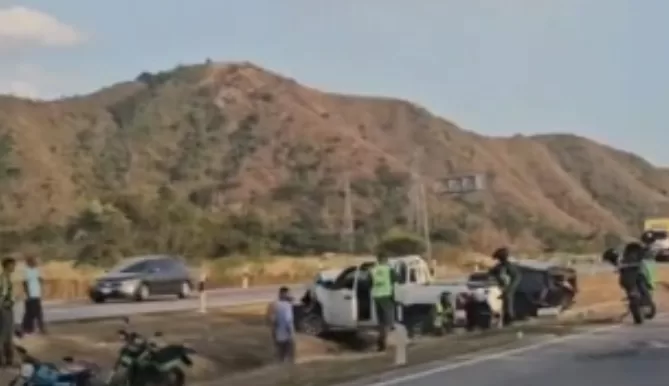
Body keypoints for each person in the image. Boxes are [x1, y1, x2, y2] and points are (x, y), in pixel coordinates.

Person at [371, 253, 397, 351]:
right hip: (386, 296)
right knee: (388, 322)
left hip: (377, 297)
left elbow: (368, 282)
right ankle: (383, 342)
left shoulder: (373, 270)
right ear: (385, 260)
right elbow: (397, 279)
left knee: (381, 321)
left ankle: (380, 343)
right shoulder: (388, 269)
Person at [488, 247, 521, 326]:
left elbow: (516, 277)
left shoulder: (509, 267)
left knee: (508, 299)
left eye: (499, 258)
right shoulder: (499, 267)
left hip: (508, 288)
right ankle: (504, 317)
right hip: (500, 288)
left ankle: (509, 317)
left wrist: (508, 289)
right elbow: (490, 274)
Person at [266, 286, 295, 363]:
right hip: (280, 331)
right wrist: (274, 328)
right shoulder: (275, 304)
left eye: (289, 294)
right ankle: (281, 364)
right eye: (287, 294)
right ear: (281, 294)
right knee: (281, 350)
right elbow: (271, 318)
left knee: (288, 351)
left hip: (287, 331)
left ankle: (286, 364)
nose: (289, 295)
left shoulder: (288, 304)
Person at [21, 254, 45, 334]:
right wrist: (28, 294)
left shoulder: (36, 270)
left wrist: (41, 281)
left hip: (36, 294)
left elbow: (38, 279)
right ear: (29, 262)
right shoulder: (26, 271)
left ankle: (32, 328)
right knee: (31, 313)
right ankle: (29, 328)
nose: (35, 262)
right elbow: (25, 283)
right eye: (33, 261)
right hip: (30, 295)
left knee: (36, 312)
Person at [0, 257, 16, 367]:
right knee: (5, 335)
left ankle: (7, 360)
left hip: (7, 309)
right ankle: (5, 360)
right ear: (7, 266)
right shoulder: (3, 279)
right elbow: (2, 295)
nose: (14, 267)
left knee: (7, 335)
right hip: (4, 309)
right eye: (12, 265)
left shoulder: (6, 278)